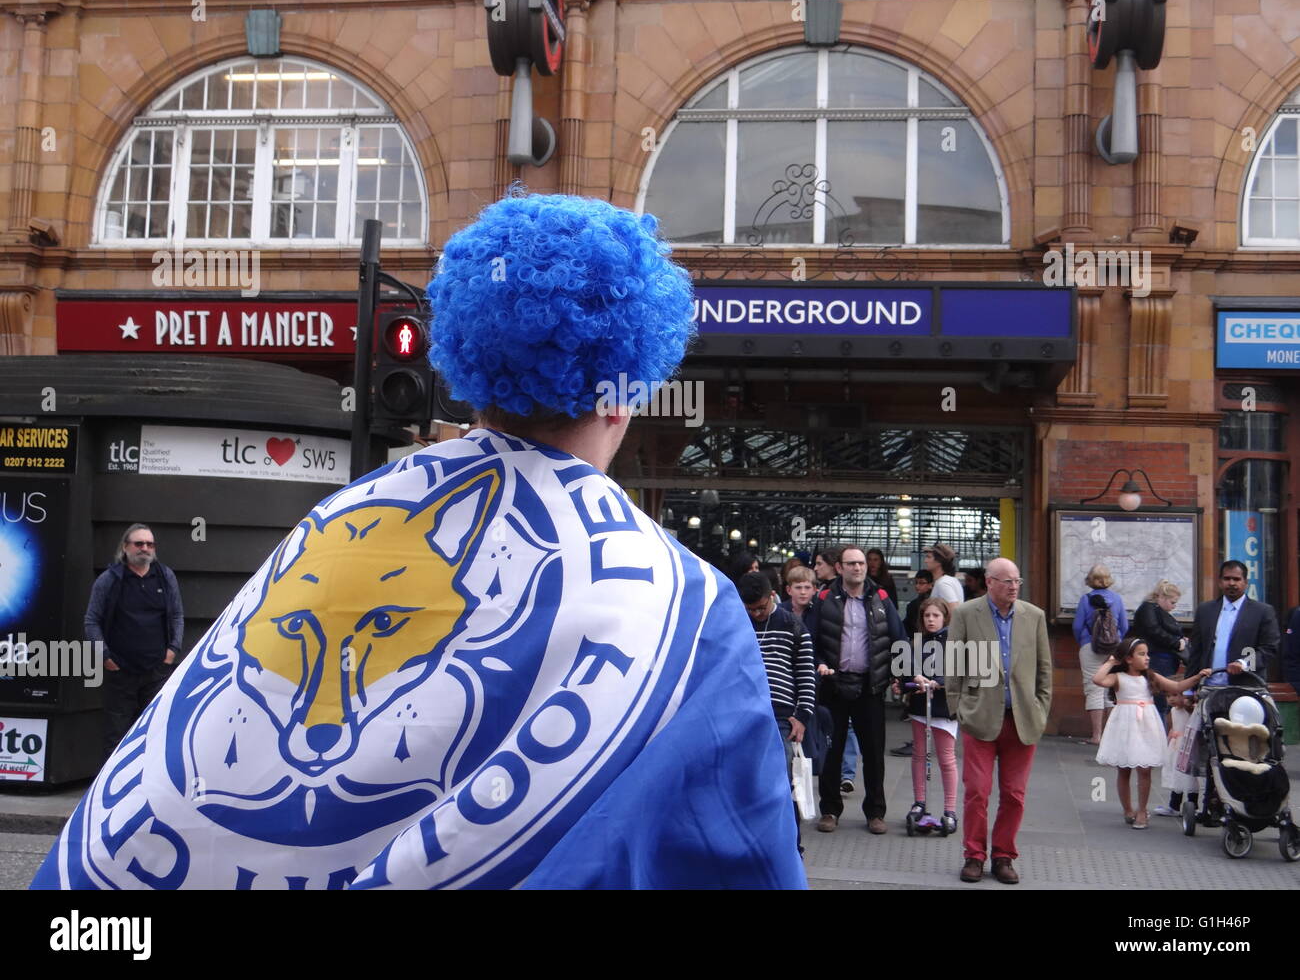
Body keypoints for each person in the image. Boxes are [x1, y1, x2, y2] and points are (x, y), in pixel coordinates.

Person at [35, 193, 805, 891]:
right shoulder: (691, 606)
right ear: (627, 390)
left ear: (468, 364)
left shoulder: (337, 522)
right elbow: (745, 848)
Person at [949, 558, 1051, 885]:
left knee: (1014, 794)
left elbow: (1044, 669)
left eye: (1017, 581)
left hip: (1021, 721)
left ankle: (1004, 856)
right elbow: (954, 665)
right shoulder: (967, 614)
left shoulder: (1034, 616)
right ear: (989, 582)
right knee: (977, 792)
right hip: (979, 718)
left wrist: (1041, 709)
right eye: (1007, 581)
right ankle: (974, 856)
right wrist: (958, 708)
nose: (1014, 587)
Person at [811, 545, 904, 835]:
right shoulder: (824, 598)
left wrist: (902, 674)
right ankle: (830, 810)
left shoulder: (881, 597)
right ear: (839, 568)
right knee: (831, 752)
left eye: (861, 563)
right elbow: (812, 640)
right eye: (851, 563)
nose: (858, 568)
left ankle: (875, 813)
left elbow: (898, 638)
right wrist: (819, 663)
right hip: (833, 686)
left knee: (874, 753)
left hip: (869, 686)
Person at [82, 523, 184, 760]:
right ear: (125, 547)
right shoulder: (109, 580)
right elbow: (91, 620)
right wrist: (105, 657)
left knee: (155, 733)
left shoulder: (165, 577)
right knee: (116, 737)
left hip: (157, 672)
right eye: (139, 543)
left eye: (150, 544)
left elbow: (177, 615)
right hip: (120, 673)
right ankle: (114, 783)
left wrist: (173, 650)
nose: (145, 548)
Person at [1092, 636, 1211, 829]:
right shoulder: (1118, 677)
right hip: (1124, 725)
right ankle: (1128, 809)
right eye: (1141, 654)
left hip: (1146, 725)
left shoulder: (1150, 676)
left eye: (1147, 654)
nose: (1147, 657)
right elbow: (1097, 679)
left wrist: (1197, 677)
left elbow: (1177, 686)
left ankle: (1142, 810)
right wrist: (1112, 661)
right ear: (1128, 659)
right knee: (1124, 769)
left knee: (1145, 769)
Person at [738, 572, 817, 855]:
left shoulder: (793, 625)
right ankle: (753, 843)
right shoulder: (738, 623)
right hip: (744, 714)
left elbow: (806, 673)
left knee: (782, 780)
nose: (756, 614)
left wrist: (803, 715)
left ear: (772, 596)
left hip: (782, 717)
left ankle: (790, 846)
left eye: (761, 608)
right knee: (747, 780)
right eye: (750, 610)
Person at [897, 598, 958, 835]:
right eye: (927, 616)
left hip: (943, 708)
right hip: (921, 706)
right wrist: (911, 680)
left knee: (946, 758)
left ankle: (950, 809)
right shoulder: (916, 643)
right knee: (919, 755)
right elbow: (905, 671)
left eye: (936, 615)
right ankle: (919, 802)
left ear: (945, 617)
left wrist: (939, 681)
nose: (931, 620)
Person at [1184, 560, 1281, 686]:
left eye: (1236, 579)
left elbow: (1269, 648)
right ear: (1219, 582)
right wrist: (1188, 687)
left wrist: (1244, 663)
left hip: (1245, 686)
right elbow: (1196, 651)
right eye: (1227, 579)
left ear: (1245, 583)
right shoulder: (1205, 610)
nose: (1231, 583)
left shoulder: (1262, 611)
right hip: (1208, 686)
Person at [1072, 565, 1129, 745]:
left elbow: (1077, 626)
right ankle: (1110, 737)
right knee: (1110, 689)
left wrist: (1084, 641)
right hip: (1114, 648)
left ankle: (1097, 736)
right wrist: (1116, 640)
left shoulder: (1085, 599)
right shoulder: (1117, 599)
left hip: (1090, 647)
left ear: (1090, 580)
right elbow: (1124, 626)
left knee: (1093, 689)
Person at [890, 569, 934, 758]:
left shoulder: (931, 603)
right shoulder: (913, 605)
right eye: (916, 582)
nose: (918, 586)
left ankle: (921, 741)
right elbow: (906, 627)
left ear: (931, 584)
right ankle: (919, 741)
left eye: (922, 583)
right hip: (917, 649)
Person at [1130, 581, 1187, 719]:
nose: (1174, 606)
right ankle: (1159, 731)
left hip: (1162, 657)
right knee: (1161, 700)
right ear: (1162, 597)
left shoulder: (1152, 609)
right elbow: (1154, 631)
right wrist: (1176, 642)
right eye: (1172, 602)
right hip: (1159, 657)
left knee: (1162, 701)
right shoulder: (1149, 609)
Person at [1154, 693, 1201, 818]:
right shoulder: (1173, 710)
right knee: (1176, 776)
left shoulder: (1190, 710)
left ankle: (1193, 806)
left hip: (1187, 746)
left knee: (1189, 777)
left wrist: (1189, 705)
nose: (1171, 699)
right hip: (1175, 747)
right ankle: (1174, 805)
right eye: (1168, 696)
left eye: (1175, 695)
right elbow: (1172, 728)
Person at [924, 543, 963, 612]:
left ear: (939, 561)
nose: (925, 561)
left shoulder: (943, 583)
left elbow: (954, 609)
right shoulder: (950, 580)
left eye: (929, 557)